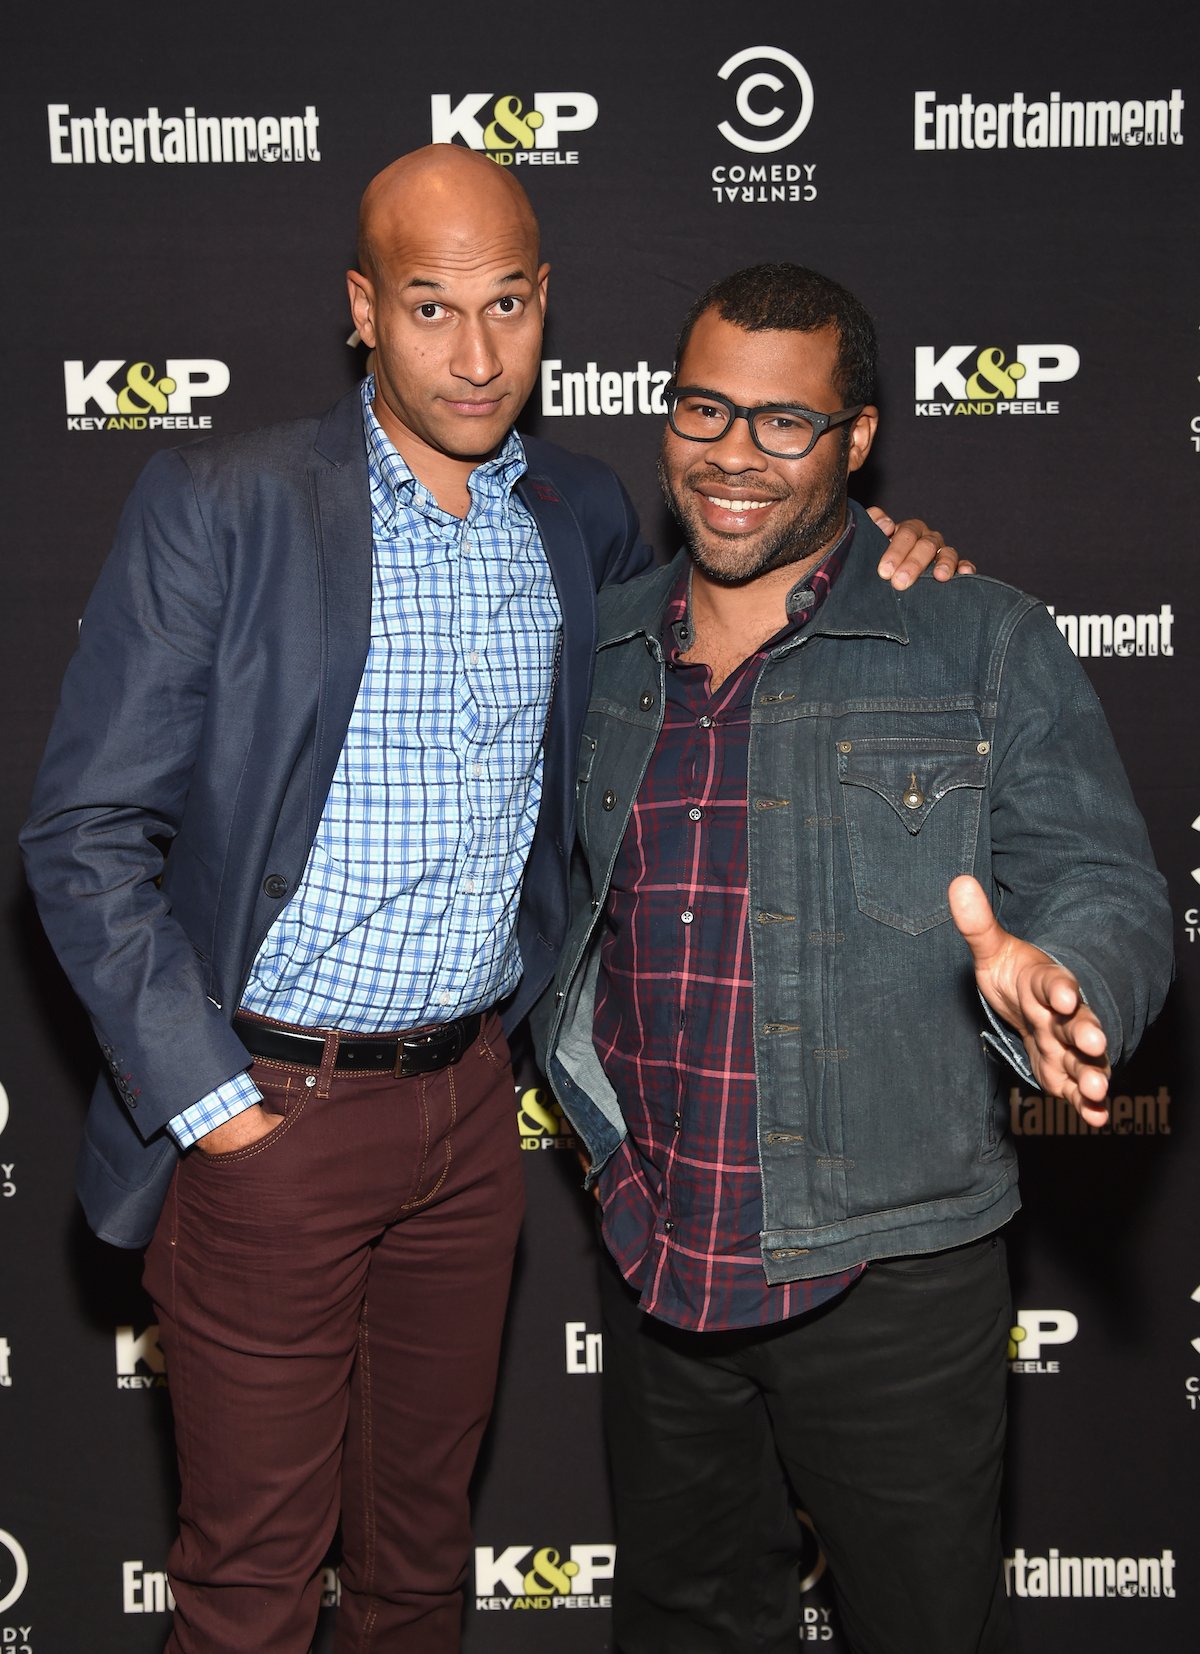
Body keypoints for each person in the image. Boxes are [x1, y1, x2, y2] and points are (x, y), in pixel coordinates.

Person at [21, 150, 959, 1654]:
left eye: (507, 305)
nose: (475, 354)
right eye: (431, 307)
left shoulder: (579, 513)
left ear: (546, 305)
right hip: (268, 1108)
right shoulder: (226, 501)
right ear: (362, 312)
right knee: (253, 1587)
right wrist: (218, 1107)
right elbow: (82, 832)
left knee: (420, 1567)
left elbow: (740, 603)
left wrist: (893, 560)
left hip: (466, 1121)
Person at [538, 262, 1173, 1654]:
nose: (734, 457)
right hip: (659, 1258)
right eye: (705, 410)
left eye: (785, 424)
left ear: (859, 437)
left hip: (890, 1268)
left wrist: (1070, 984)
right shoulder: (606, 647)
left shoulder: (970, 636)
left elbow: (1107, 880)